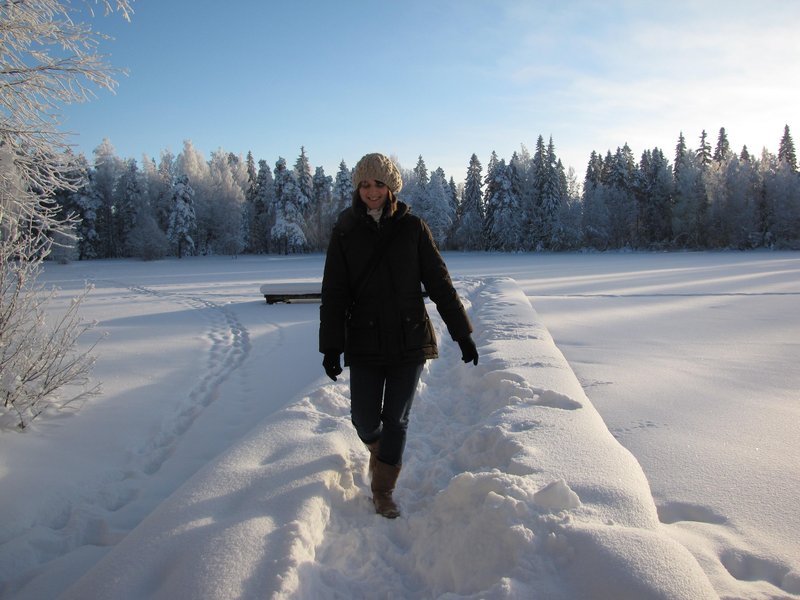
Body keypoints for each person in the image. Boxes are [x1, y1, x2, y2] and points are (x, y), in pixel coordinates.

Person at [319, 152, 479, 519]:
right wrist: (331, 346)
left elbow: (440, 284)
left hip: (409, 339)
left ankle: (383, 489)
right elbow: (334, 292)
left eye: (378, 184)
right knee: (363, 418)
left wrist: (462, 334)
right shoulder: (344, 230)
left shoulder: (413, 229)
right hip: (364, 339)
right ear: (357, 188)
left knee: (396, 418)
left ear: (391, 187)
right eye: (364, 184)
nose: (371, 191)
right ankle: (382, 453)